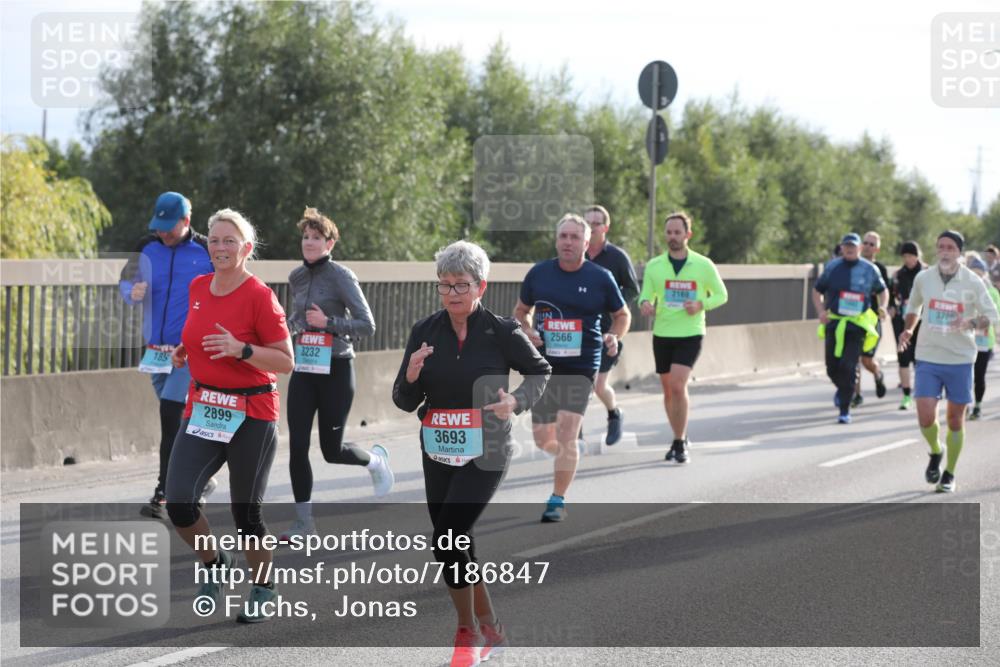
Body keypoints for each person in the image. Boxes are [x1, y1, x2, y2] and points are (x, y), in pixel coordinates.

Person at [392, 241, 551, 667]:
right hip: (438, 449)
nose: (452, 293)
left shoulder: (502, 331)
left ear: (481, 286)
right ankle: (493, 629)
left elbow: (540, 371)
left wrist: (516, 400)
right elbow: (404, 401)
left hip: (487, 448)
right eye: (444, 285)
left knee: (446, 538)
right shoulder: (425, 331)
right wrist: (411, 376)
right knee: (456, 543)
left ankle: (468, 633)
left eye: (461, 284)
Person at [165, 208, 295, 622]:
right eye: (215, 240)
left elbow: (286, 361)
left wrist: (243, 350)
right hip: (205, 407)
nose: (220, 247)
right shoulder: (198, 286)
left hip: (252, 411)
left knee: (246, 513)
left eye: (229, 241)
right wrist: (186, 351)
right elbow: (198, 332)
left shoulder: (260, 296)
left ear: (246, 248)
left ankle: (264, 586)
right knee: (178, 501)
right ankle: (216, 562)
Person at [281, 207, 391, 541]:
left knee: (332, 450)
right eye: (305, 237)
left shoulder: (342, 276)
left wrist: (328, 323)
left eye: (316, 237)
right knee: (297, 446)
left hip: (336, 369)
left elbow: (367, 325)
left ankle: (375, 462)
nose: (309, 242)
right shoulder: (296, 277)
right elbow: (298, 318)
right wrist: (288, 327)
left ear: (329, 243)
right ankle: (304, 523)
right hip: (305, 368)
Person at [514, 214, 630, 522]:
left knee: (567, 430)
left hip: (582, 365)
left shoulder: (600, 277)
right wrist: (527, 330)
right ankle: (571, 453)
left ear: (587, 243)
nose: (568, 242)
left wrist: (613, 335)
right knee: (543, 439)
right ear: (556, 241)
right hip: (544, 366)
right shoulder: (539, 274)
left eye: (575, 237)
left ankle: (557, 500)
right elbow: (521, 311)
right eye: (563, 236)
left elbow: (622, 315)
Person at [119, 191, 216, 519]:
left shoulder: (205, 250)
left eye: (169, 226)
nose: (162, 232)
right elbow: (125, 282)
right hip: (155, 354)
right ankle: (201, 479)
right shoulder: (146, 246)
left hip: (188, 352)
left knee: (171, 417)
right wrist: (131, 292)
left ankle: (164, 492)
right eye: (158, 226)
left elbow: (227, 287)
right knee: (180, 420)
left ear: (186, 221)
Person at [898, 230, 999, 492]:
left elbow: (992, 316)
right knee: (925, 415)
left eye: (950, 248)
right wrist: (908, 329)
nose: (944, 251)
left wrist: (970, 323)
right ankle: (935, 449)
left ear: (959, 253)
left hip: (960, 358)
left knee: (955, 419)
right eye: (941, 246)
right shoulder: (924, 278)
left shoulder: (973, 282)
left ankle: (950, 473)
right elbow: (914, 307)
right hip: (928, 355)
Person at [638, 211, 728, 461]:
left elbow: (721, 295)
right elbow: (646, 295)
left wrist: (700, 304)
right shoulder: (655, 265)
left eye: (677, 232)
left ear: (688, 234)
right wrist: (645, 304)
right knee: (668, 391)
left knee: (678, 385)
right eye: (669, 232)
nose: (673, 237)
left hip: (690, 332)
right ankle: (679, 434)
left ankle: (679, 443)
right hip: (662, 333)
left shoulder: (703, 264)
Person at [812, 233, 887, 424]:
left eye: (853, 246)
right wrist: (821, 311)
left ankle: (844, 410)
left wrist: (883, 306)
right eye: (846, 246)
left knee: (849, 366)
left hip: (857, 324)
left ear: (859, 248)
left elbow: (882, 290)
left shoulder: (869, 269)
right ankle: (843, 389)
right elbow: (817, 290)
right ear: (842, 248)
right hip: (835, 322)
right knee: (831, 368)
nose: (849, 249)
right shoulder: (832, 267)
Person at [583, 205, 639, 445]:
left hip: (608, 331)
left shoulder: (616, 257)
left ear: (605, 228)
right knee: (578, 383)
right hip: (579, 331)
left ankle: (614, 413)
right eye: (587, 223)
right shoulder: (575, 255)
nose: (591, 227)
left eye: (596, 223)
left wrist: (611, 302)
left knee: (598, 385)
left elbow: (633, 289)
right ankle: (575, 432)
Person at [853, 231, 891, 406]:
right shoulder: (852, 266)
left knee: (866, 360)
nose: (868, 247)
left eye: (872, 244)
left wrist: (884, 307)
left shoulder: (879, 269)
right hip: (853, 318)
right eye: (866, 243)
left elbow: (885, 292)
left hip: (871, 321)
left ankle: (877, 373)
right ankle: (856, 395)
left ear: (877, 249)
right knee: (853, 358)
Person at [890, 241, 926, 410]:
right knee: (903, 356)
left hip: (923, 321)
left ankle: (923, 392)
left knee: (921, 358)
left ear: (917, 256)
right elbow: (890, 295)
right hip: (901, 321)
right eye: (904, 256)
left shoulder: (927, 273)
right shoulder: (898, 275)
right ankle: (906, 395)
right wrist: (891, 307)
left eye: (910, 256)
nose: (907, 259)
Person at [965, 255, 1000, 420]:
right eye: (974, 273)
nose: (977, 277)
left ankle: (977, 406)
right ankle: (965, 404)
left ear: (985, 273)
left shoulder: (992, 292)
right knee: (965, 375)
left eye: (980, 273)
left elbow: (996, 316)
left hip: (985, 340)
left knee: (979, 375)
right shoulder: (964, 290)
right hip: (966, 339)